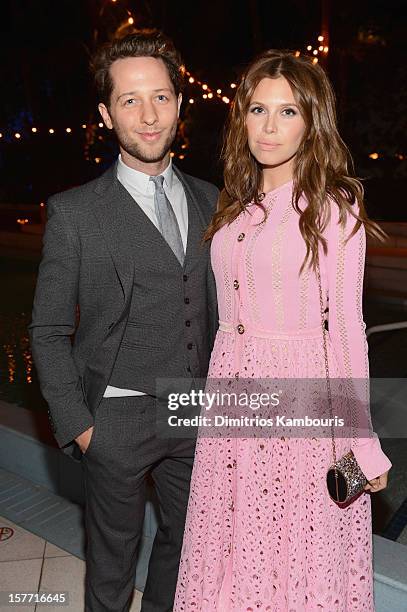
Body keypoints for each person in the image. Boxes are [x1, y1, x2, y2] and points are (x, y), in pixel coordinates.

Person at [173, 50, 392, 611]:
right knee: (233, 553)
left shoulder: (331, 211)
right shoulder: (236, 207)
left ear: (312, 120)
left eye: (288, 112)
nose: (269, 127)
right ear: (240, 116)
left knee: (293, 558)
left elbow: (346, 332)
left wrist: (359, 442)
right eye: (257, 109)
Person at [29, 30, 219, 612]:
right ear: (106, 113)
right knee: (111, 566)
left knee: (186, 547)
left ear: (180, 104)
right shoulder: (75, 213)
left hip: (194, 409)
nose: (148, 114)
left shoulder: (213, 199)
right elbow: (48, 330)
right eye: (130, 100)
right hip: (114, 417)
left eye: (160, 96)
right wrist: (82, 426)